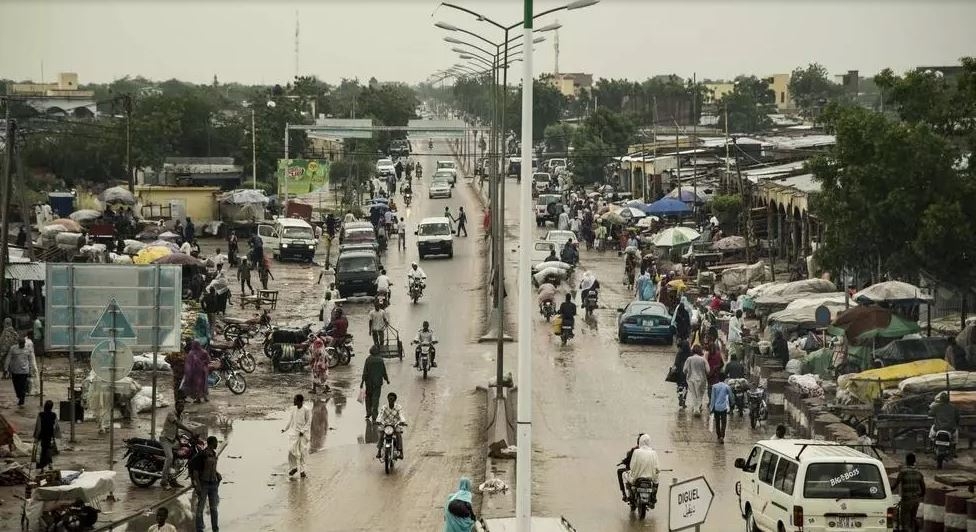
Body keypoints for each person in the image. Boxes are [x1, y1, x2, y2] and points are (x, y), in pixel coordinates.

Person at [190, 435, 221, 532]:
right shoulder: (202, 455)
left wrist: (217, 473)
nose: (217, 444)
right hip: (204, 484)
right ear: (212, 443)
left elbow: (211, 467)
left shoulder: (213, 453)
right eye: (216, 442)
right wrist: (198, 486)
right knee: (200, 509)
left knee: (214, 509)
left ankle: (215, 528)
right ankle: (199, 529)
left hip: (213, 484)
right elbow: (195, 472)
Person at [161, 400, 195, 489]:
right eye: (179, 406)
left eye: (182, 406)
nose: (181, 408)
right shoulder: (171, 414)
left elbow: (176, 429)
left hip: (173, 439)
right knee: (170, 458)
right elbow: (178, 424)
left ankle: (173, 479)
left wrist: (179, 438)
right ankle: (163, 481)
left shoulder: (181, 415)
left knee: (180, 457)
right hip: (165, 439)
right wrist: (190, 431)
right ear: (176, 406)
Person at [891, 453, 925, 532]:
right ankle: (915, 527)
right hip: (916, 500)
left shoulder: (903, 472)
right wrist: (919, 495)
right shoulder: (918, 472)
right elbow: (923, 489)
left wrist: (887, 490)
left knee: (904, 520)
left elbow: (895, 485)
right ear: (914, 461)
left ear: (906, 461)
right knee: (913, 517)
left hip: (906, 500)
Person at [282, 394, 312, 479]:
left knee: (302, 452)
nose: (293, 401)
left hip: (303, 434)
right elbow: (290, 420)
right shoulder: (293, 409)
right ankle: (294, 467)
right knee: (291, 450)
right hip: (294, 433)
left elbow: (308, 422)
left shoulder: (306, 410)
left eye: (295, 400)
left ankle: (302, 471)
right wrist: (285, 429)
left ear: (299, 401)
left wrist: (303, 431)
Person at [361, 346, 390, 423]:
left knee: (368, 398)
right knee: (375, 399)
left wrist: (362, 381)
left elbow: (365, 371)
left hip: (369, 383)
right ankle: (374, 415)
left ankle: (368, 412)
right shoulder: (380, 360)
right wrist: (387, 379)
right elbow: (383, 371)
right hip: (377, 383)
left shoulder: (368, 360)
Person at [376, 391, 406, 458]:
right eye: (389, 399)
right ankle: (379, 451)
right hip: (385, 425)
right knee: (381, 434)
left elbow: (401, 415)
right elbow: (380, 415)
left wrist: (402, 421)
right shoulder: (384, 407)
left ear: (395, 400)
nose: (390, 400)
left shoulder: (398, 407)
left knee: (398, 434)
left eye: (392, 399)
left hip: (395, 425)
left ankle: (401, 452)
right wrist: (378, 421)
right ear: (387, 399)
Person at [5, 337, 35, 407]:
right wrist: (6, 368)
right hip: (14, 371)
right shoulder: (13, 348)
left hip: (24, 371)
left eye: (23, 343)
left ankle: (22, 398)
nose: (22, 345)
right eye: (21, 343)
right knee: (16, 386)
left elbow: (31, 360)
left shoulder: (28, 349)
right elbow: (8, 358)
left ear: (24, 343)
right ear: (18, 343)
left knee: (23, 386)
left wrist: (31, 370)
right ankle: (19, 396)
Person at [33, 400, 61, 469]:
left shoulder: (40, 415)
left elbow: (38, 427)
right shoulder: (53, 415)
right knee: (48, 450)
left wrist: (36, 437)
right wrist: (56, 437)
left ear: (45, 406)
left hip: (42, 436)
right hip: (49, 436)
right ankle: (49, 464)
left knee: (41, 451)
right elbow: (56, 427)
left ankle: (41, 466)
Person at [616, 433, 645, 501]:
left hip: (634, 472)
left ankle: (624, 494)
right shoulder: (651, 451)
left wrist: (622, 461)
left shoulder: (634, 450)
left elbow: (628, 460)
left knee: (619, 471)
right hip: (646, 472)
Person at [683, 346, 709, 415]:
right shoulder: (703, 359)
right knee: (700, 394)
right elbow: (708, 370)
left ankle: (696, 408)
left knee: (694, 394)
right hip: (701, 379)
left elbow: (684, 370)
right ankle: (697, 408)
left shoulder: (689, 359)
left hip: (691, 379)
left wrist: (688, 372)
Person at [710, 376, 734, 443]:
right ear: (724, 379)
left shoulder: (714, 387)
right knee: (724, 422)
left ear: (718, 379)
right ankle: (722, 436)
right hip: (724, 407)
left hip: (716, 407)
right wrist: (732, 403)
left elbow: (713, 398)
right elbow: (731, 396)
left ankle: (718, 435)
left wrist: (711, 408)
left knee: (717, 422)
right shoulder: (727, 387)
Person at [672, 341, 692, 408]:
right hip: (687, 373)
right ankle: (684, 400)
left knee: (679, 385)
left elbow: (676, 363)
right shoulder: (690, 354)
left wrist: (674, 369)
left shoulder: (679, 353)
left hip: (680, 372)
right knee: (686, 387)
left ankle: (680, 395)